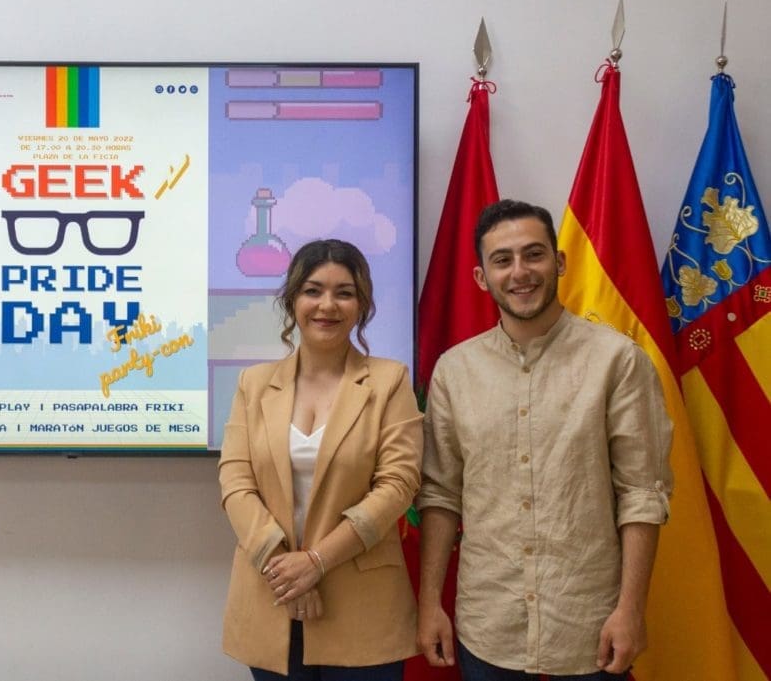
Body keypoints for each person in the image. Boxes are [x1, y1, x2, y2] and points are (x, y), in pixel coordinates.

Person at [415, 199, 674, 680]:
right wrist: (430, 603)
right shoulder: (454, 371)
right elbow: (440, 495)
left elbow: (642, 492)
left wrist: (631, 610)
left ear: (559, 262)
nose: (520, 272)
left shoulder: (617, 361)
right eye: (503, 260)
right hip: (488, 624)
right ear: (481, 278)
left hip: (589, 625)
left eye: (533, 254)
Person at [218, 239, 423, 679]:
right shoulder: (253, 383)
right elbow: (235, 483)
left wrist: (316, 563)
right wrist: (288, 572)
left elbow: (398, 486)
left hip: (364, 608)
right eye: (313, 290)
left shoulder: (390, 380)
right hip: (272, 596)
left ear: (361, 304)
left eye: (343, 293)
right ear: (292, 299)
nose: (327, 305)